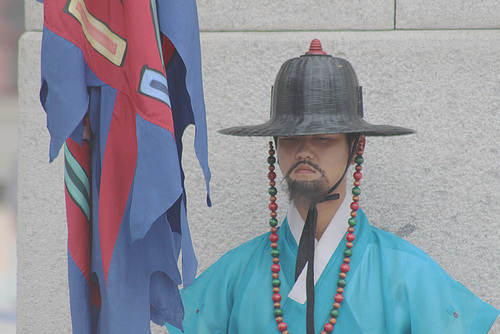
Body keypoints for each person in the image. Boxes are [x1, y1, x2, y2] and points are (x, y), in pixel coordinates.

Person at [166, 40, 499, 334]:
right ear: (275, 147)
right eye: (291, 139)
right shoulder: (233, 276)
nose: (305, 151)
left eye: (323, 138)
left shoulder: (409, 275)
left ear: (357, 147)